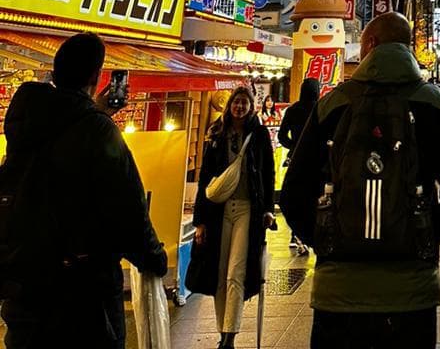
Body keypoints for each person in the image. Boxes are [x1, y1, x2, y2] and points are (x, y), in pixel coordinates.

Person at [281, 11, 440, 349]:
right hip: (412, 295)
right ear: (407, 47)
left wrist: (326, 239)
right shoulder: (435, 105)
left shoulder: (333, 104)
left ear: (371, 43)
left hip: (338, 294)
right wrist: (427, 232)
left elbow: (293, 194)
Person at [0, 31, 167, 349]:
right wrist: (153, 257)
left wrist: (95, 111)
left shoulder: (26, 120)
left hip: (26, 287)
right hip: (82, 293)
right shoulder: (97, 130)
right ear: (97, 75)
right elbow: (128, 209)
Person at [188, 86, 276, 349]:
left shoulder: (258, 134)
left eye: (244, 103)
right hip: (219, 211)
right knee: (219, 271)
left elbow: (268, 173)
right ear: (230, 106)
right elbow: (205, 178)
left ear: (251, 106)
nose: (239, 107)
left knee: (235, 272)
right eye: (236, 102)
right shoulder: (217, 133)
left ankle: (230, 335)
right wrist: (200, 221)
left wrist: (268, 208)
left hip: (247, 209)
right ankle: (221, 329)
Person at [278, 77, 320, 254]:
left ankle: (295, 235)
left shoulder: (293, 110)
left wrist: (294, 146)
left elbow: (281, 136)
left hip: (296, 159)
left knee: (296, 194)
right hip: (316, 160)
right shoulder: (319, 109)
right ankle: (311, 232)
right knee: (314, 197)